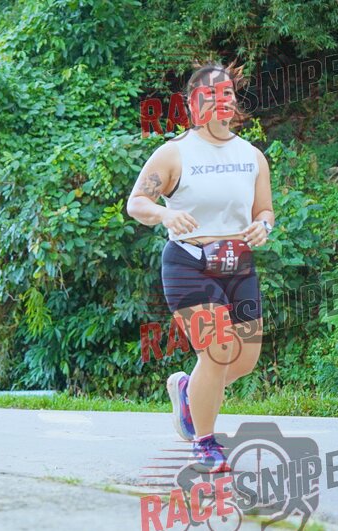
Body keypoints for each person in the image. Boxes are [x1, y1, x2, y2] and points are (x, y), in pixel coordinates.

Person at [126, 64, 275, 472]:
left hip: (238, 265)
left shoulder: (252, 157)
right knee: (218, 349)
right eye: (209, 94)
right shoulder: (174, 153)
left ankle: (189, 391)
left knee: (244, 359)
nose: (219, 100)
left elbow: (264, 210)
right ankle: (205, 442)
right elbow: (137, 202)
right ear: (192, 105)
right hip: (189, 264)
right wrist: (165, 215)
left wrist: (263, 227)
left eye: (226, 93)